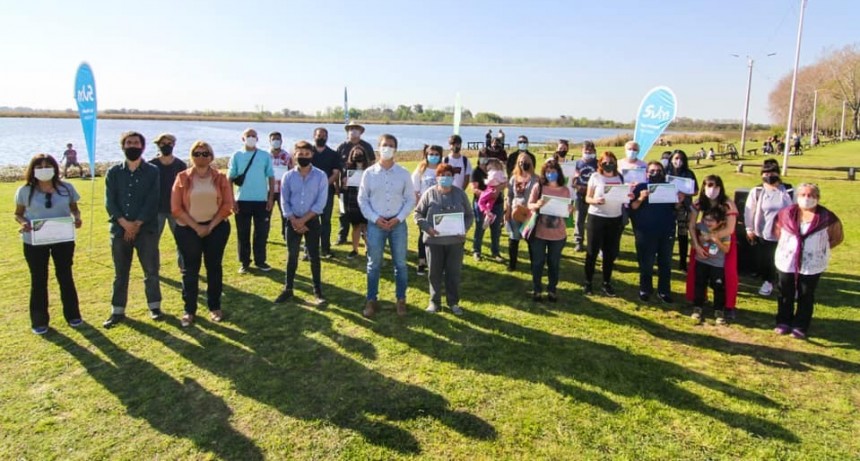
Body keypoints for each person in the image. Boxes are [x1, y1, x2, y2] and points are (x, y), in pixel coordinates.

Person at [15, 154, 83, 334]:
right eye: (39, 166)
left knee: (65, 276)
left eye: (47, 165)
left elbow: (74, 209)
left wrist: (77, 218)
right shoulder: (25, 191)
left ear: (54, 168)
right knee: (38, 279)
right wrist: (23, 223)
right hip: (35, 241)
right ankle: (39, 321)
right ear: (33, 169)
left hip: (63, 239)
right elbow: (18, 214)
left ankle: (73, 315)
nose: (44, 169)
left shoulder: (67, 188)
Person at [170, 141, 233, 327]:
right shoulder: (182, 178)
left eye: (205, 154)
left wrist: (210, 226)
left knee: (214, 268)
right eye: (197, 154)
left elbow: (227, 205)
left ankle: (215, 307)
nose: (201, 157)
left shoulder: (220, 178)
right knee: (190, 271)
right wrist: (196, 227)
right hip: (188, 229)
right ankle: (189, 310)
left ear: (211, 156)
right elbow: (176, 208)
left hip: (216, 228)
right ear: (192, 156)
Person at [103, 131, 162, 328]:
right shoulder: (113, 172)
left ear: (143, 147)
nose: (132, 146)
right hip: (120, 230)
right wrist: (124, 223)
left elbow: (153, 200)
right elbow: (110, 201)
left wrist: (136, 224)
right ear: (123, 146)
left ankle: (154, 307)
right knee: (121, 272)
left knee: (151, 270)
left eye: (136, 143)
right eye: (129, 143)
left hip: (146, 230)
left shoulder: (152, 171)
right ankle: (117, 310)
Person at [773, 183, 843, 339]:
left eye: (811, 195)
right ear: (797, 197)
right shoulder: (786, 214)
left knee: (806, 293)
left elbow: (836, 237)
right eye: (803, 195)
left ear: (817, 198)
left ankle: (800, 324)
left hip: (812, 262)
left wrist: (818, 248)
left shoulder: (827, 218)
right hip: (787, 259)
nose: (807, 198)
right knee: (785, 290)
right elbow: (777, 231)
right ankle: (783, 320)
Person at [358, 134, 415, 318]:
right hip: (376, 225)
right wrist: (375, 219)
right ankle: (371, 299)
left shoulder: (404, 173)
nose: (387, 148)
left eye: (391, 145)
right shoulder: (369, 173)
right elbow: (363, 200)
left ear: (395, 149)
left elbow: (410, 199)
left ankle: (401, 300)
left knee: (400, 264)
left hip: (398, 224)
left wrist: (398, 218)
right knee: (373, 264)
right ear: (378, 148)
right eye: (384, 145)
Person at [414, 164, 475, 315]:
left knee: (453, 273)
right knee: (434, 273)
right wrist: (427, 228)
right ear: (437, 177)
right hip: (434, 242)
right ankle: (434, 302)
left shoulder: (460, 194)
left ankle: (453, 302)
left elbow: (469, 215)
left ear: (453, 177)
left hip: (455, 242)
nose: (445, 178)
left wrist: (464, 229)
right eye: (442, 175)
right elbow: (418, 214)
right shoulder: (429, 194)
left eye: (448, 175)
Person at [274, 141, 329, 305]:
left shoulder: (320, 176)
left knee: (314, 257)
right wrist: (294, 220)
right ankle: (288, 289)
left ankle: (318, 291)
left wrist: (303, 221)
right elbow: (284, 200)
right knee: (292, 256)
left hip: (311, 221)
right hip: (292, 221)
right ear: (294, 155)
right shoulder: (288, 176)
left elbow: (321, 203)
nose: (303, 157)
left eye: (307, 154)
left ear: (312, 155)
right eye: (300, 154)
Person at [686, 175, 740, 318]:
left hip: (723, 240)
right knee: (698, 272)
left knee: (728, 275)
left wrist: (712, 237)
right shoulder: (699, 203)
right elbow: (691, 225)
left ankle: (727, 306)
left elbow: (730, 229)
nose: (712, 189)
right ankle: (697, 301)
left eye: (715, 186)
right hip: (701, 239)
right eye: (709, 185)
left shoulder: (728, 204)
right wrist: (696, 245)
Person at [228, 128, 276, 274]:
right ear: (243, 139)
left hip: (261, 200)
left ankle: (260, 261)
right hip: (242, 200)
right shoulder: (237, 155)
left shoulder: (264, 156)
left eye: (254, 136)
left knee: (261, 233)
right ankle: (244, 262)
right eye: (248, 136)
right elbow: (229, 178)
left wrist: (270, 197)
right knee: (243, 233)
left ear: (258, 138)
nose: (251, 138)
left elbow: (271, 177)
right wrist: (232, 200)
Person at [630, 161, 678, 303]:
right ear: (647, 173)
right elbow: (632, 207)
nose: (655, 173)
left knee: (665, 262)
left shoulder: (669, 188)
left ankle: (664, 291)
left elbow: (675, 208)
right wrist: (641, 198)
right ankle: (645, 288)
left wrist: (679, 201)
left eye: (658, 171)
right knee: (646, 262)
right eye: (652, 171)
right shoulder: (640, 187)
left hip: (666, 230)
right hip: (645, 231)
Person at [744, 162, 794, 296]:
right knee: (767, 259)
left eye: (772, 173)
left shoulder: (788, 190)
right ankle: (768, 282)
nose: (769, 176)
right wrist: (749, 229)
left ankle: (787, 285)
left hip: (785, 234)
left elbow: (796, 210)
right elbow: (749, 212)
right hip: (764, 233)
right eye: (766, 173)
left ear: (778, 173)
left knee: (786, 259)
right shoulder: (757, 191)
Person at [527, 159, 572, 302]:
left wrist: (570, 210)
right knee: (538, 262)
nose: (550, 175)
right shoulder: (538, 187)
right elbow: (529, 204)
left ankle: (552, 289)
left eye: (553, 172)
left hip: (558, 234)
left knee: (554, 263)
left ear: (558, 173)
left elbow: (569, 210)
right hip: (539, 233)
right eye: (547, 172)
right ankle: (537, 289)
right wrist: (536, 205)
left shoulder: (565, 190)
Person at [583, 152, 627, 296]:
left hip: (615, 219)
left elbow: (623, 195)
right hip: (596, 217)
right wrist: (595, 201)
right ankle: (588, 282)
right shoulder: (595, 177)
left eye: (611, 162)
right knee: (592, 252)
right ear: (600, 163)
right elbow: (587, 198)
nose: (608, 164)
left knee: (610, 253)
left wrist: (628, 196)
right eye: (605, 162)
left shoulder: (619, 177)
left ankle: (606, 283)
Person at [150, 133, 187, 272]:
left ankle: (184, 267)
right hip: (156, 210)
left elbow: (185, 187)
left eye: (169, 143)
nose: (166, 146)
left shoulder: (180, 165)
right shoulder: (151, 165)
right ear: (158, 145)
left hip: (176, 209)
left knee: (181, 240)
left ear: (174, 145)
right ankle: (153, 268)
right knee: (153, 241)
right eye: (163, 143)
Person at [689, 207, 732, 325]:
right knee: (699, 284)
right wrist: (699, 243)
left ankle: (718, 310)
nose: (707, 223)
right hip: (701, 262)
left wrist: (716, 240)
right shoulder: (700, 227)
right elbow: (692, 243)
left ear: (720, 222)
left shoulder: (725, 231)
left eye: (711, 221)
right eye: (705, 220)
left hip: (717, 265)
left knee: (718, 287)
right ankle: (697, 307)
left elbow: (726, 249)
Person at [336, 121, 376, 246]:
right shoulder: (342, 147)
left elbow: (373, 165)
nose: (353, 131)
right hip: (345, 187)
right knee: (344, 212)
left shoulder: (367, 146)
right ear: (347, 131)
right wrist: (337, 186)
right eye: (351, 128)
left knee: (363, 211)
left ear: (361, 132)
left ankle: (366, 237)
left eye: (356, 129)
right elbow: (336, 168)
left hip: (363, 187)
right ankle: (342, 236)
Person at [504, 152, 539, 271]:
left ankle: (534, 265)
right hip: (515, 211)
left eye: (526, 161)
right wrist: (507, 210)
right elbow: (509, 195)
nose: (523, 164)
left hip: (529, 213)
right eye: (520, 162)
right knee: (514, 238)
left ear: (530, 162)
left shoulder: (536, 178)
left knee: (530, 239)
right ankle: (512, 264)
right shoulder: (513, 178)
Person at [666, 149, 698, 271]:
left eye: (681, 159)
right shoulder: (665, 172)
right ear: (671, 159)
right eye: (676, 158)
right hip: (668, 207)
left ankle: (683, 262)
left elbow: (695, 191)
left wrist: (684, 194)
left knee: (682, 234)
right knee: (668, 234)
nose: (678, 161)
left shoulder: (689, 173)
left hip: (684, 208)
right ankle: (665, 259)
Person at [412, 145, 442, 276]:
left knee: (439, 235)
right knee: (424, 235)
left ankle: (437, 263)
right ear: (426, 154)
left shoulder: (442, 169)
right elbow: (415, 190)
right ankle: (422, 262)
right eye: (431, 154)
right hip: (425, 208)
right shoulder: (421, 169)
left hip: (440, 207)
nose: (434, 156)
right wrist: (419, 208)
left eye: (436, 154)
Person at [311, 127, 340, 258]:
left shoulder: (333, 154)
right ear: (314, 136)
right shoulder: (308, 152)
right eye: (319, 135)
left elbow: (336, 173)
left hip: (327, 192)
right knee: (310, 220)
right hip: (309, 192)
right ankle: (310, 249)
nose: (321, 138)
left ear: (327, 137)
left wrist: (323, 186)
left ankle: (325, 249)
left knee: (326, 221)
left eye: (323, 136)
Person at [471, 155, 505, 262]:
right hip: (482, 202)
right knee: (480, 228)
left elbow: (504, 182)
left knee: (496, 229)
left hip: (497, 203)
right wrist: (487, 195)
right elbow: (474, 188)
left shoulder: (497, 170)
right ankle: (477, 251)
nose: (485, 161)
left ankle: (495, 252)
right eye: (482, 158)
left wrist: (498, 190)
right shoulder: (476, 171)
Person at [342, 145, 369, 259]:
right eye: (355, 155)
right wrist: (345, 183)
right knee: (356, 226)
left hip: (367, 201)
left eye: (360, 154)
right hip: (352, 201)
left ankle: (368, 249)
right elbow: (344, 188)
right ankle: (355, 249)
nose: (358, 157)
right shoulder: (347, 169)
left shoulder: (370, 170)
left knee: (367, 227)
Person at [571, 140, 598, 252]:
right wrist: (577, 187)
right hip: (580, 196)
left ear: (594, 151)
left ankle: (595, 242)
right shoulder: (576, 164)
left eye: (590, 151)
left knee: (594, 221)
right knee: (579, 220)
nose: (588, 152)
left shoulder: (598, 163)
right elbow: (572, 181)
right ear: (582, 151)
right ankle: (579, 241)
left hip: (594, 196)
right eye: (586, 150)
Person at [268, 131, 293, 240]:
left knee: (285, 214)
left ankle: (286, 234)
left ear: (281, 141)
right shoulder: (265, 156)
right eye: (273, 139)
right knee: (266, 214)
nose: (276, 141)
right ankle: (265, 235)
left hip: (283, 190)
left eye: (278, 139)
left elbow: (291, 172)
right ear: (269, 141)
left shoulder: (286, 156)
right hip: (268, 190)